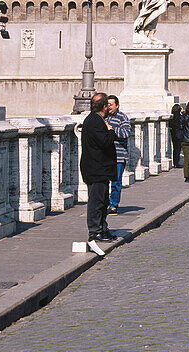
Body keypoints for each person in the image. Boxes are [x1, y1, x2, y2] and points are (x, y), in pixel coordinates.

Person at [79, 93, 118, 255]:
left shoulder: (95, 120)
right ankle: (95, 231)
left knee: (102, 200)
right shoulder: (95, 121)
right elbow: (104, 142)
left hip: (100, 168)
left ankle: (102, 228)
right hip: (96, 168)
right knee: (96, 201)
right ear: (104, 107)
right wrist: (110, 131)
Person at [105, 95, 131, 212]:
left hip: (118, 155)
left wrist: (111, 130)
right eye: (107, 104)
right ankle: (105, 203)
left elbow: (126, 133)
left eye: (111, 104)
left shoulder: (122, 117)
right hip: (105, 155)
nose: (109, 107)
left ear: (117, 105)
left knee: (116, 182)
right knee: (104, 181)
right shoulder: (103, 117)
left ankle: (114, 204)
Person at [168, 102, 184, 168]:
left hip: (173, 133)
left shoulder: (172, 117)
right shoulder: (180, 117)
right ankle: (176, 162)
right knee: (178, 148)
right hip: (179, 134)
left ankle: (175, 162)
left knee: (175, 148)